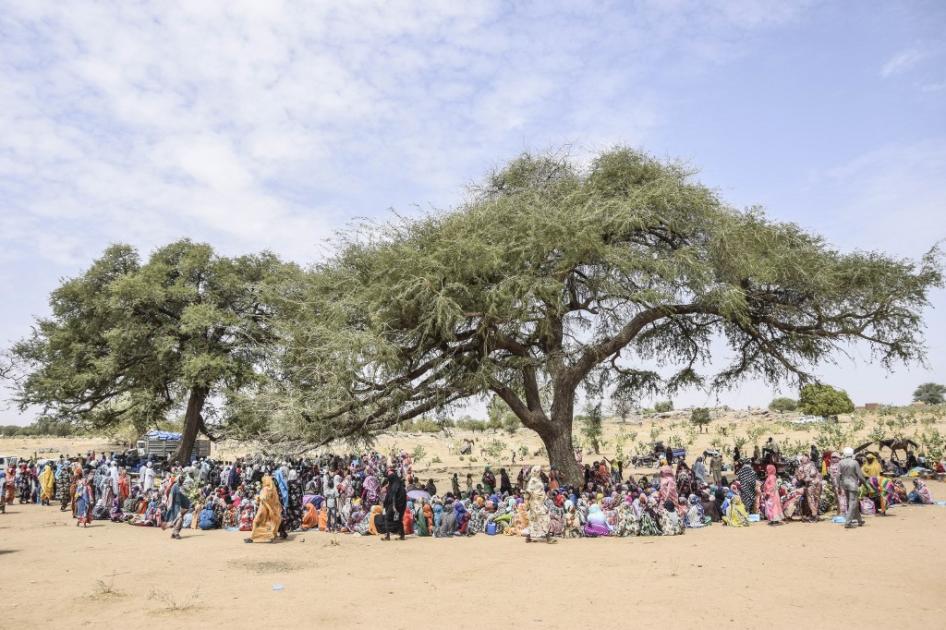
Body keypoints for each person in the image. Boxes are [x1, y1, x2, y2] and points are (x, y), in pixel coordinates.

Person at [247, 475, 282, 543]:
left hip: (263, 509)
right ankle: (270, 536)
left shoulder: (265, 489)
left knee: (256, 522)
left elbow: (263, 499)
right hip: (272, 509)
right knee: (268, 523)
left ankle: (253, 537)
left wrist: (258, 497)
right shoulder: (273, 490)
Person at [838, 447, 866, 529]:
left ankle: (859, 520)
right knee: (852, 502)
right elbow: (860, 476)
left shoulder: (840, 462)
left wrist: (838, 486)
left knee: (853, 503)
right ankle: (848, 522)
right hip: (853, 484)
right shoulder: (855, 462)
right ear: (852, 454)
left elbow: (837, 475)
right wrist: (865, 483)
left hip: (844, 484)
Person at [382, 470, 406, 541]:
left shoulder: (394, 487)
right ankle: (402, 535)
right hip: (402, 506)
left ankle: (387, 536)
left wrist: (394, 506)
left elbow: (393, 497)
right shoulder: (401, 486)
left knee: (386, 518)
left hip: (394, 506)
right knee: (399, 520)